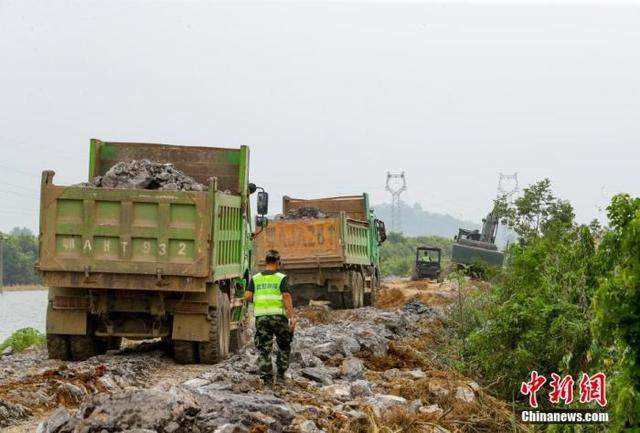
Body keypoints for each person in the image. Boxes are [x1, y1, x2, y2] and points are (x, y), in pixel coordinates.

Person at [244, 249, 296, 386]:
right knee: (284, 345)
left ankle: (267, 380)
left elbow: (247, 296)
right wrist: (291, 317)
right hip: (279, 318)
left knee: (264, 349)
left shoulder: (256, 278)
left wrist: (259, 301)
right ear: (278, 262)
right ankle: (280, 377)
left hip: (262, 318)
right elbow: (286, 296)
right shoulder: (281, 278)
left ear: (265, 262)